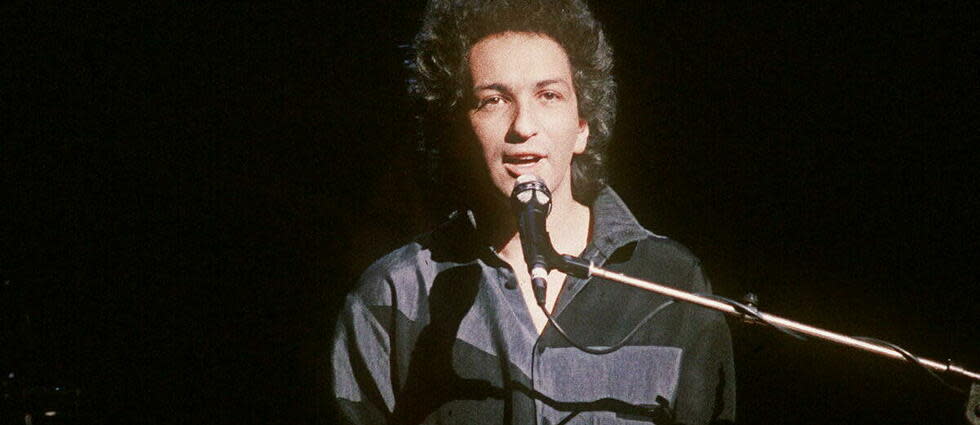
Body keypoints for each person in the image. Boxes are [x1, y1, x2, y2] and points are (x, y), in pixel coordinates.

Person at [331, 1, 735, 423]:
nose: (523, 125)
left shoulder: (670, 282)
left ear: (583, 126)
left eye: (549, 95)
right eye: (493, 99)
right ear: (458, 127)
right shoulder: (393, 294)